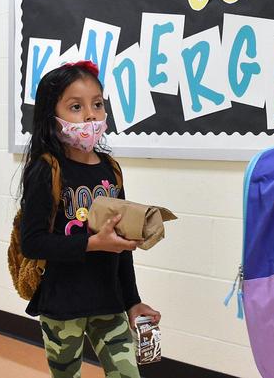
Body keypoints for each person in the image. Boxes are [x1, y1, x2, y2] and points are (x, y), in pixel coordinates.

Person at [18, 60, 160, 378]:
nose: (90, 115)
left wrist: (133, 301)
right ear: (51, 117)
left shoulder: (110, 169)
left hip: (109, 301)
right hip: (62, 304)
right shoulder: (46, 169)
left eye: (97, 104)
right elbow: (33, 242)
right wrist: (92, 243)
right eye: (75, 106)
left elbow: (120, 247)